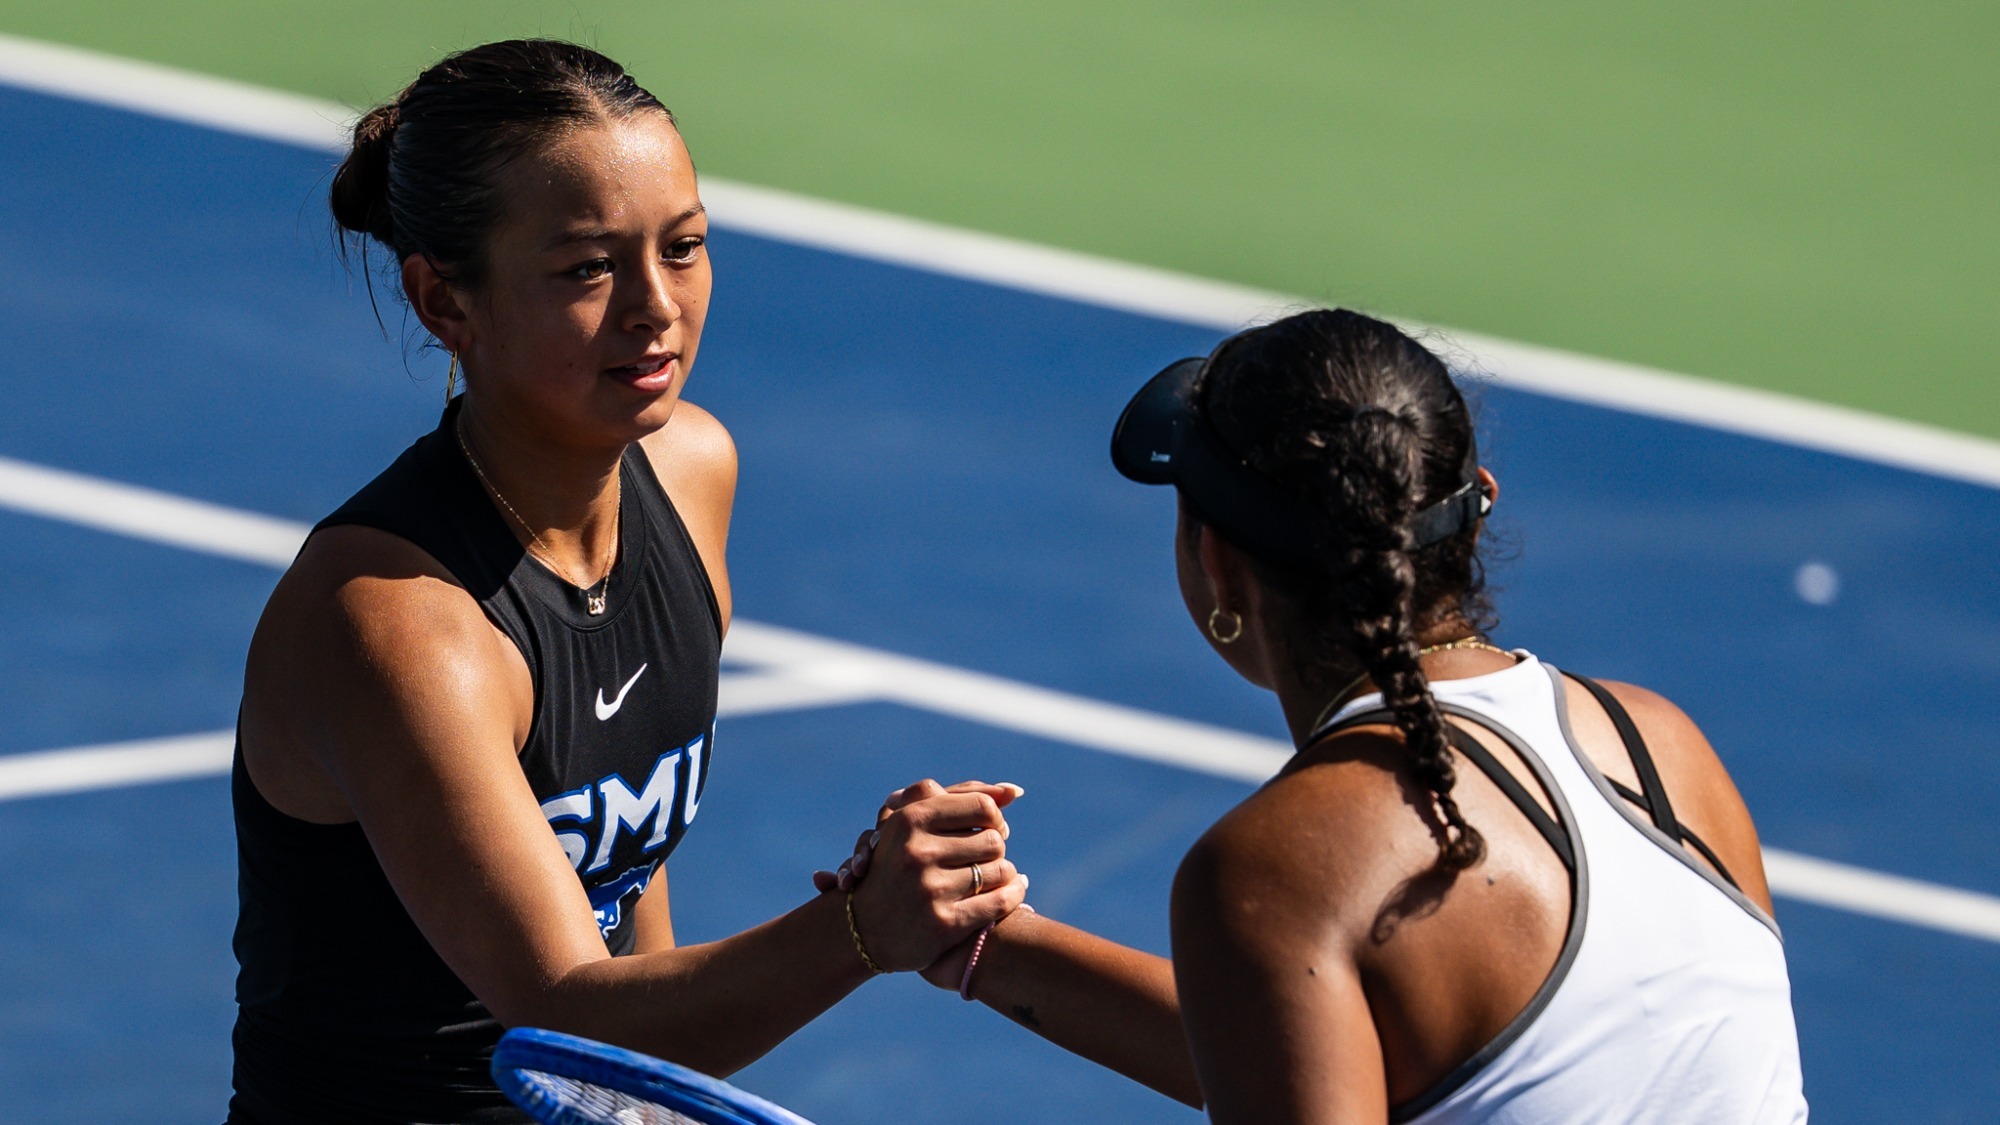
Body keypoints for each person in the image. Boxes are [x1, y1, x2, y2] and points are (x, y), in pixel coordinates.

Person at [227, 40, 1025, 1123]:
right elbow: (565, 1013)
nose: (655, 305)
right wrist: (856, 930)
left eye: (685, 246)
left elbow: (624, 866)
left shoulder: (691, 473)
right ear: (444, 304)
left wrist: (649, 1113)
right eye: (586, 269)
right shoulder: (402, 629)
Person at [835, 308, 1808, 1122]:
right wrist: (986, 952)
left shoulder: (1280, 866)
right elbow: (1350, 1059)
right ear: (1475, 509)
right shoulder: (1659, 744)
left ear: (1215, 564)